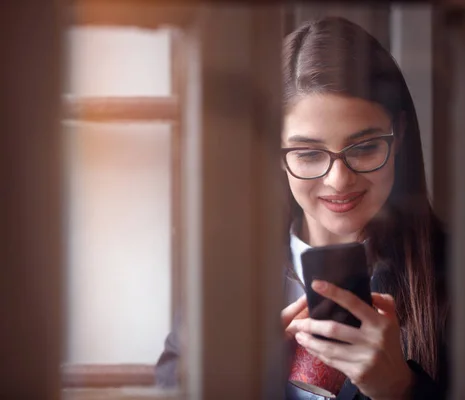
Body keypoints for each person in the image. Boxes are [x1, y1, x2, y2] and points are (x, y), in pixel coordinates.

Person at [155, 16, 449, 400]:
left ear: (401, 136)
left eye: (364, 148)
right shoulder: (225, 273)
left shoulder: (463, 277)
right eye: (309, 153)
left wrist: (400, 389)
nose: (339, 180)